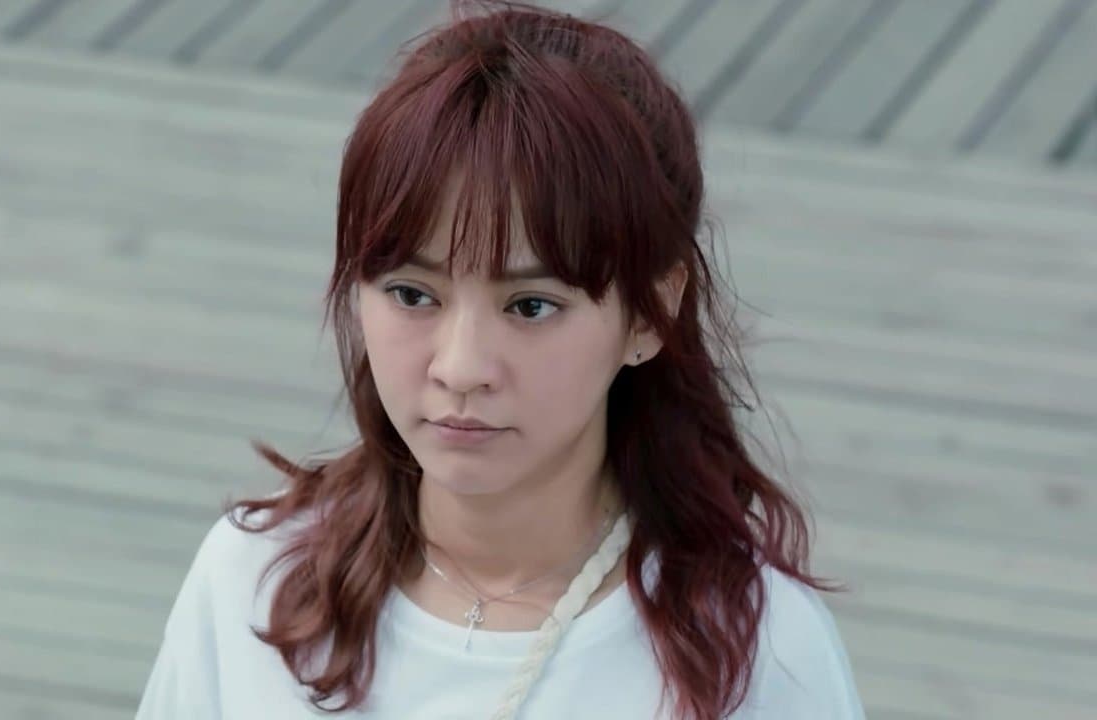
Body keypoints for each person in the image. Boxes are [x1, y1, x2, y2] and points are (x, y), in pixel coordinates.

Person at [135, 2, 867, 718]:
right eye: (412, 294)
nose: (461, 369)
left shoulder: (759, 654)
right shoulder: (254, 585)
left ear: (649, 311)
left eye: (530, 306)